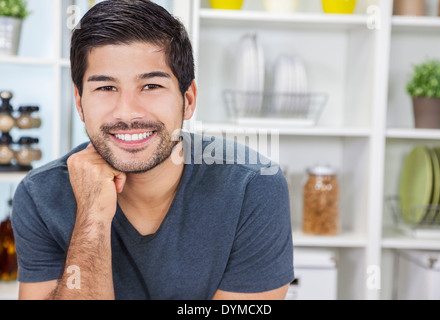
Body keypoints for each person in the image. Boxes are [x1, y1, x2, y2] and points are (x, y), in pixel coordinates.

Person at [11, 0, 294, 300]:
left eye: (151, 86)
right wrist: (92, 217)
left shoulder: (254, 187)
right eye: (106, 88)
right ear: (80, 103)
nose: (128, 113)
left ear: (189, 98)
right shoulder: (39, 195)